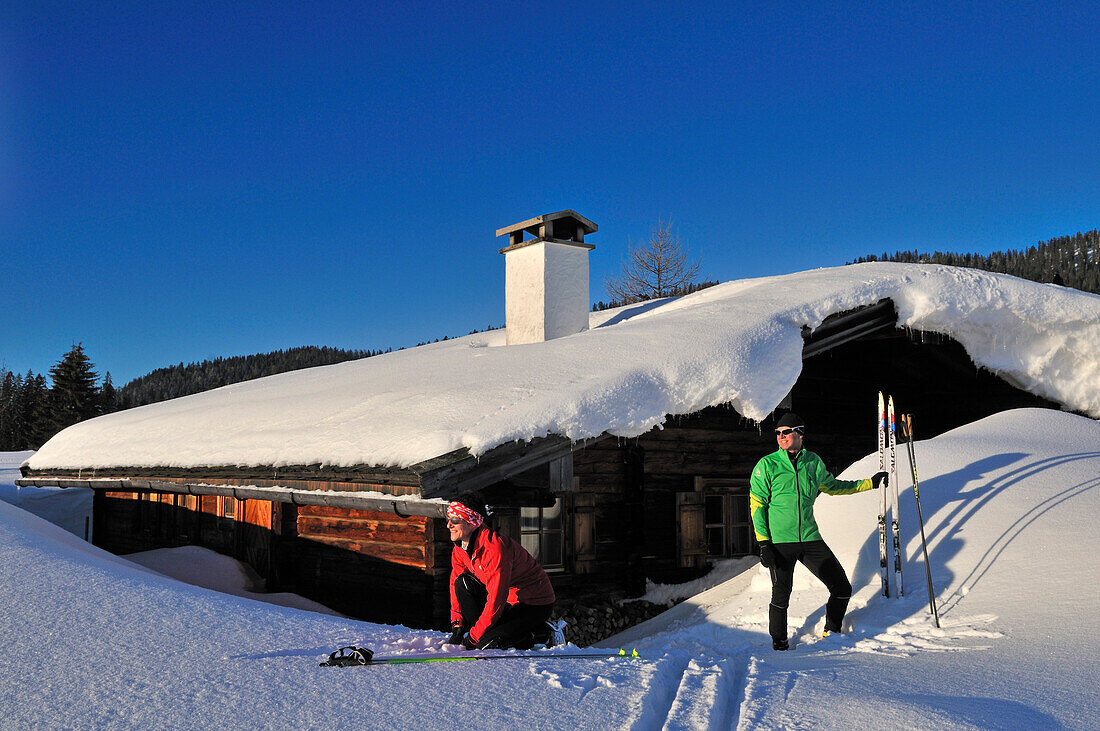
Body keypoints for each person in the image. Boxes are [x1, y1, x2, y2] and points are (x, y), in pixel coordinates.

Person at [749, 412, 887, 651]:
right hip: (780, 542)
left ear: (800, 433)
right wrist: (763, 543)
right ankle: (779, 643)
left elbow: (833, 486)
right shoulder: (767, 465)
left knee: (842, 587)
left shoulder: (812, 462)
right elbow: (757, 505)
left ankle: (831, 631)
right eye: (778, 433)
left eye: (786, 432)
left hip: (810, 538)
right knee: (781, 594)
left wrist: (869, 484)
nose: (781, 436)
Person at [445, 496, 556, 650]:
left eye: (455, 519)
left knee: (488, 644)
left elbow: (496, 598)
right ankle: (497, 630)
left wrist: (472, 639)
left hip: (533, 604)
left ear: (472, 521)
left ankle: (542, 635)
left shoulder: (494, 548)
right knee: (462, 582)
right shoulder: (460, 548)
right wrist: (457, 625)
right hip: (508, 603)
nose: (449, 524)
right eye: (448, 518)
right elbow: (454, 584)